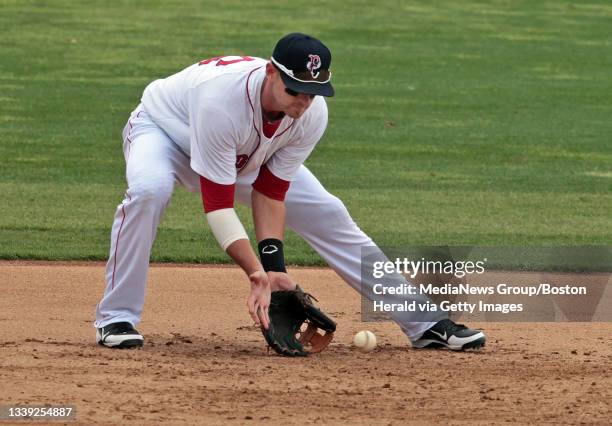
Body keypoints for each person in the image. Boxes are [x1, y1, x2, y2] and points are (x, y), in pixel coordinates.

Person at [94, 33, 486, 352]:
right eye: (294, 89)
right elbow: (217, 205)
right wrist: (254, 273)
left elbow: (269, 191)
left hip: (244, 154)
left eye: (312, 92)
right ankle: (116, 318)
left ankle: (426, 324)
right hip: (166, 134)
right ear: (270, 72)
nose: (302, 101)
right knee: (150, 190)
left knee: (329, 213)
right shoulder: (220, 103)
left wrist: (275, 269)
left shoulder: (310, 114)